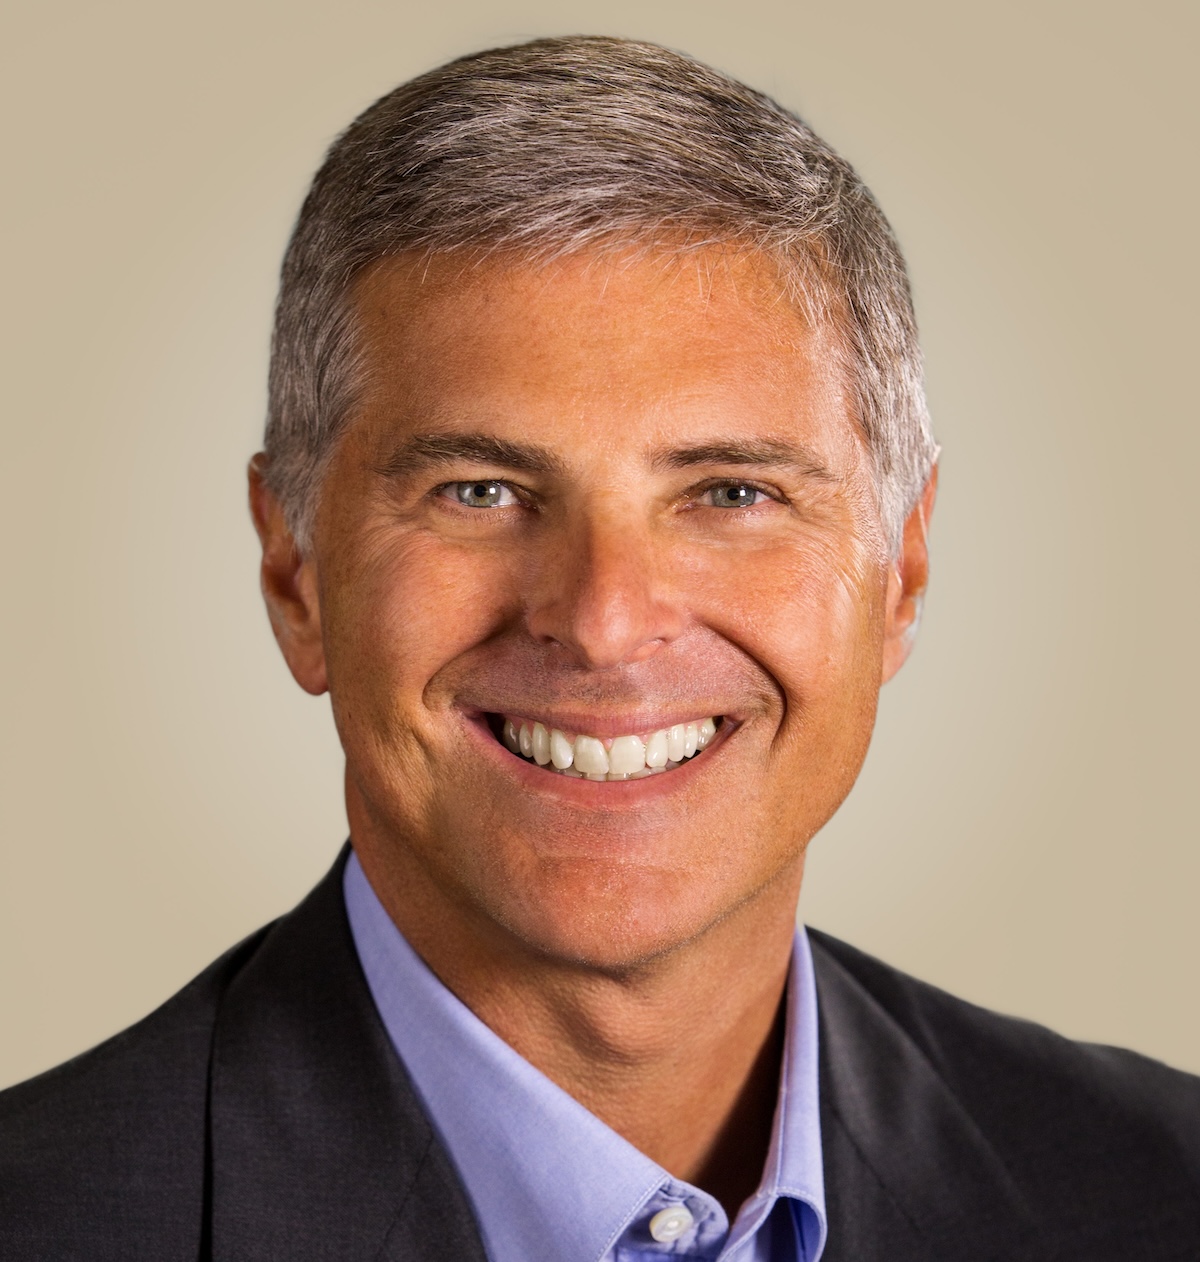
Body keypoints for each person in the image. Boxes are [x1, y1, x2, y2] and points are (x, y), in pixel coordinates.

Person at [1, 35, 1197, 1262]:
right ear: (294, 574)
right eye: (479, 490)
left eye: (731, 493)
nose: (607, 618)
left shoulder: (1167, 1186)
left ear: (905, 572)